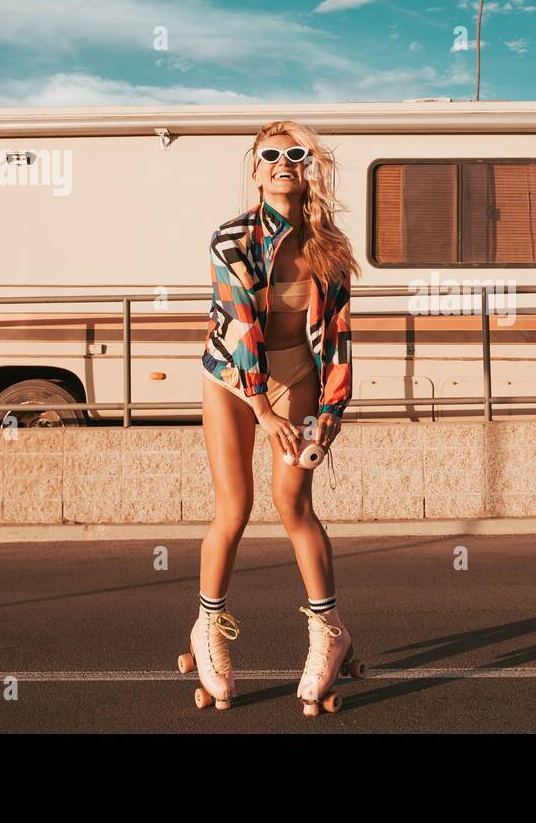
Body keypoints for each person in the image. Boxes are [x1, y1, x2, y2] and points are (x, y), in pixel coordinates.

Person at [193, 119, 360, 715]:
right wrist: (261, 410)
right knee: (234, 508)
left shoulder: (330, 245)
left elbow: (337, 334)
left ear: (309, 167)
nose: (284, 162)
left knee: (294, 505)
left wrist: (331, 410)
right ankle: (207, 631)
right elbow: (240, 328)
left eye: (297, 154)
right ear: (256, 169)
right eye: (272, 154)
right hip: (235, 378)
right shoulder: (231, 239)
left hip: (299, 375)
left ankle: (329, 632)